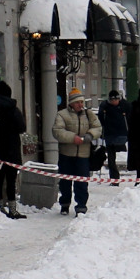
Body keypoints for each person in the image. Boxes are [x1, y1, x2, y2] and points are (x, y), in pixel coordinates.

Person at [53, 87, 102, 215]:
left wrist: (90, 135)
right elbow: (57, 131)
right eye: (77, 102)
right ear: (71, 103)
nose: (80, 105)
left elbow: (98, 127)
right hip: (66, 154)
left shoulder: (89, 114)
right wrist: (72, 138)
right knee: (65, 181)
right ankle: (65, 203)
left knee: (82, 182)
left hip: (83, 155)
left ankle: (81, 206)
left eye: (82, 102)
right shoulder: (62, 115)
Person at [0, 79, 27, 219]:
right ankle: (12, 209)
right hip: (12, 150)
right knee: (11, 181)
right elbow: (22, 127)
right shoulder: (13, 108)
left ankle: (0, 208)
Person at [98, 89, 130, 180]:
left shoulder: (124, 105)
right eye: (113, 100)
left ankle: (115, 176)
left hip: (121, 135)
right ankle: (114, 177)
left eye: (116, 100)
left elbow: (129, 116)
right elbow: (101, 119)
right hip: (110, 134)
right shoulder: (105, 107)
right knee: (111, 158)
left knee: (119, 152)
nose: (115, 102)